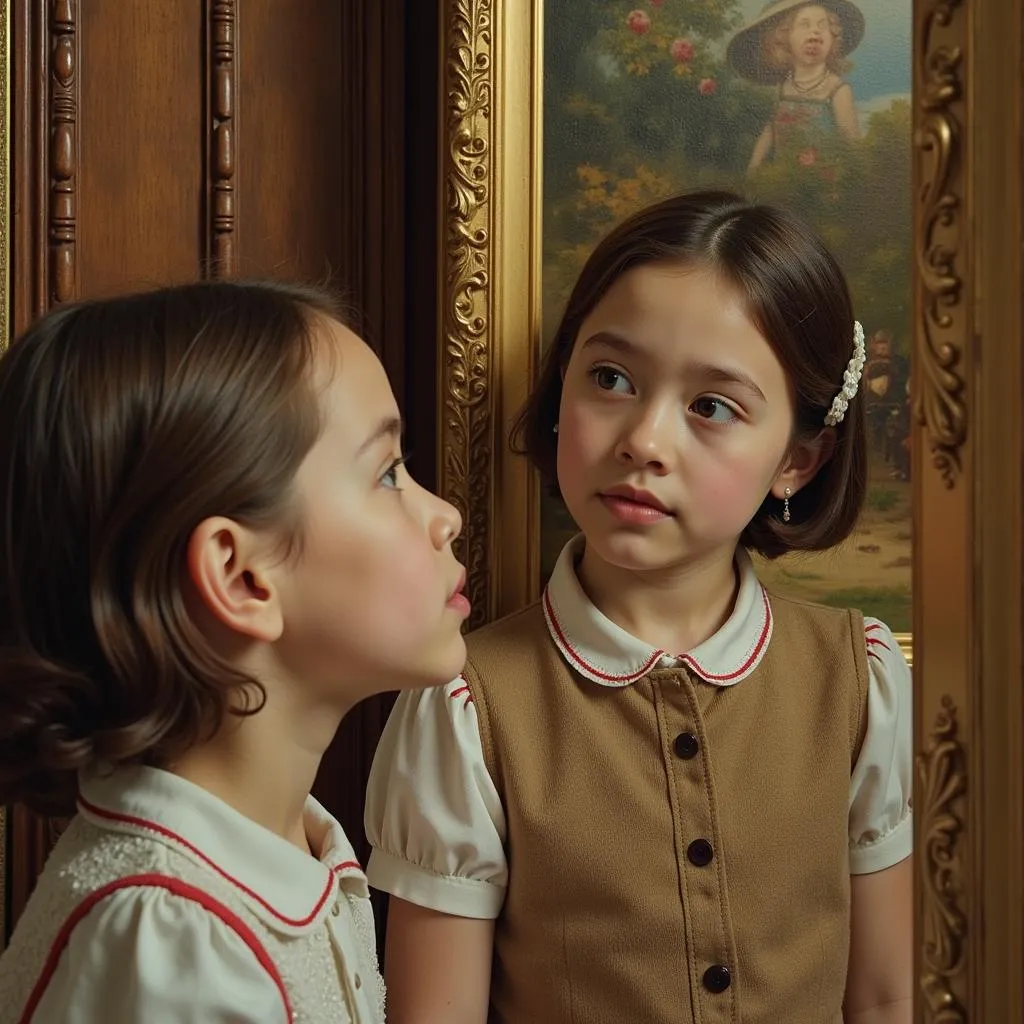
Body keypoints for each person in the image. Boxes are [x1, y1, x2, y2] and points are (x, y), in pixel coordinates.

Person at [366, 191, 912, 1023]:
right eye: (611, 379)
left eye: (711, 407)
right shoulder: (464, 706)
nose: (644, 441)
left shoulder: (858, 679)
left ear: (800, 459)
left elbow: (882, 1000)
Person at [0, 280, 470, 1023]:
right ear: (242, 576)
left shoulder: (299, 847)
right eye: (387, 474)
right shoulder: (169, 945)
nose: (445, 515)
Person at [728, 0, 865, 172]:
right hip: (786, 178)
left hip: (825, 184)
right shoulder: (784, 86)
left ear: (833, 39)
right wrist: (754, 167)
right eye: (804, 25)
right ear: (785, 38)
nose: (814, 32)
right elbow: (771, 128)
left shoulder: (837, 89)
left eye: (823, 26)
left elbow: (852, 145)